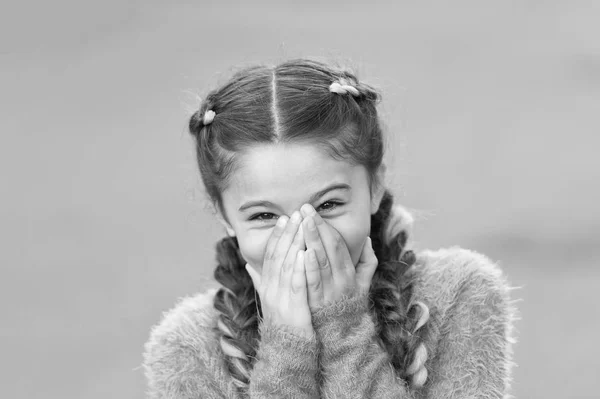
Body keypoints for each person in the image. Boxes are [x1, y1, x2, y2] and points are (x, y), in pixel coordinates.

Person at [142, 58, 518, 398]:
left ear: (373, 188)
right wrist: (287, 346)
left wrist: (345, 327)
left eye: (328, 205)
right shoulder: (188, 346)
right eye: (264, 216)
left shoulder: (458, 293)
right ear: (224, 216)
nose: (305, 241)